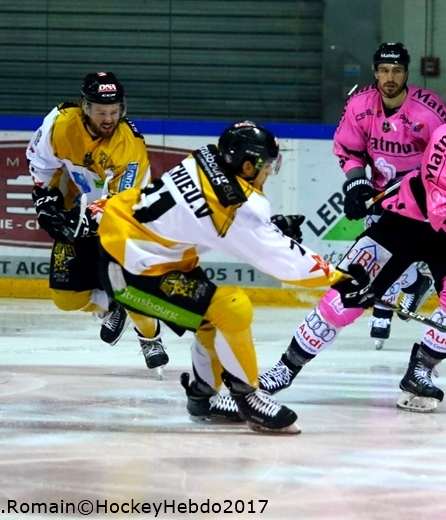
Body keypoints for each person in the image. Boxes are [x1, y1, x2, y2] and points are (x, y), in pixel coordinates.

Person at [258, 75, 446, 413]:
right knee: (345, 297)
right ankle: (285, 367)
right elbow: (440, 207)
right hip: (407, 221)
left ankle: (421, 371)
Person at [79, 120, 371, 433]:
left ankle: (202, 399)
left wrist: (266, 229)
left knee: (209, 319)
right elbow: (279, 259)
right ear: (247, 166)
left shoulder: (203, 158)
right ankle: (248, 398)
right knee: (232, 308)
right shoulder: (234, 204)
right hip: (132, 269)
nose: (269, 174)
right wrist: (338, 278)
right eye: (267, 167)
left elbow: (202, 220)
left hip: (136, 248)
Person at [26, 71, 167, 371]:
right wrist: (45, 201)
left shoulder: (129, 145)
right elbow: (41, 163)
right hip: (75, 212)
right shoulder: (60, 123)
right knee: (65, 298)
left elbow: (123, 200)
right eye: (102, 111)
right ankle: (110, 305)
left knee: (127, 287)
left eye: (114, 111)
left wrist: (87, 220)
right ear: (85, 107)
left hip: (124, 223)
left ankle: (150, 338)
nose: (108, 118)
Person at [336, 42, 446, 349]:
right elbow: (350, 150)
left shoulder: (428, 111)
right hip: (380, 191)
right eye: (385, 70)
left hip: (419, 199)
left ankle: (406, 290)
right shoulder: (360, 106)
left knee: (396, 252)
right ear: (375, 72)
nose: (391, 77)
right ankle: (416, 283)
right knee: (374, 256)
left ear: (406, 73)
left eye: (397, 71)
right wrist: (355, 183)